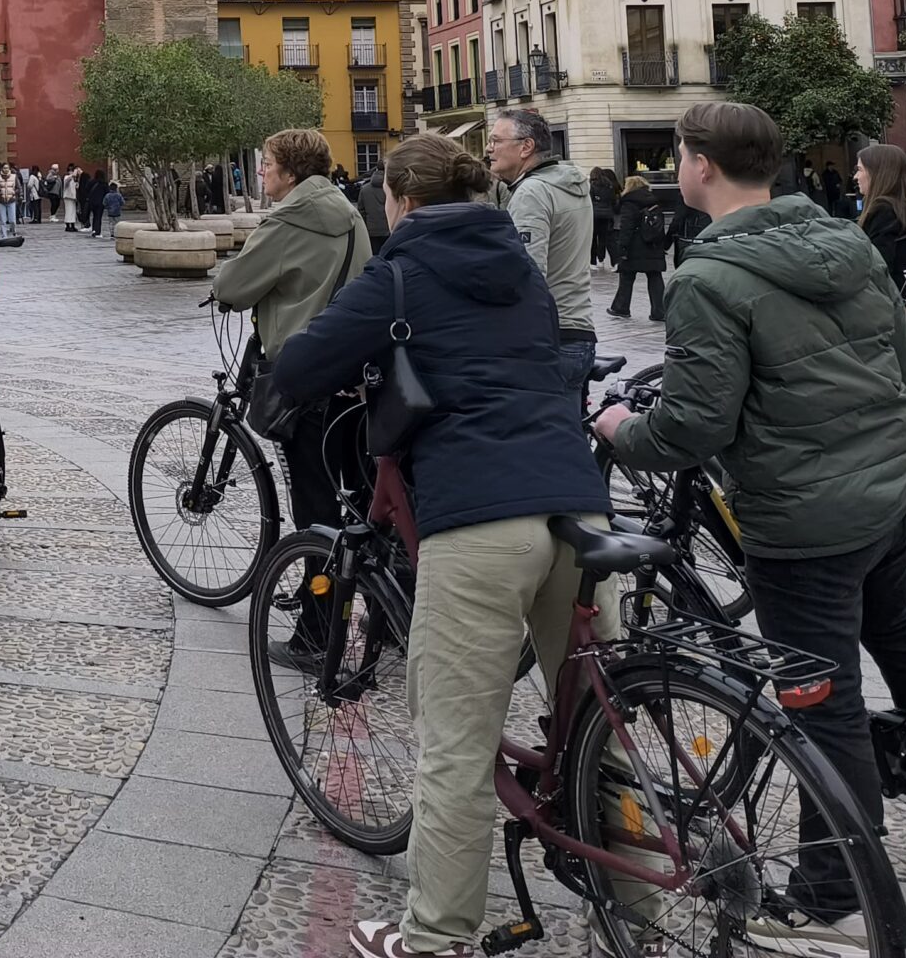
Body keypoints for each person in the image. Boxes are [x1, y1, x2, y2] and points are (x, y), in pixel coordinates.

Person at [269, 133, 612, 958]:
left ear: (401, 201)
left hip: (481, 516)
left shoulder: (398, 274)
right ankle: (638, 911)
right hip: (580, 508)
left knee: (456, 745)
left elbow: (303, 362)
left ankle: (433, 938)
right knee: (607, 721)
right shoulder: (523, 271)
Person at [596, 102, 906, 944]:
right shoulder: (846, 239)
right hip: (890, 489)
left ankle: (831, 884)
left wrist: (619, 432)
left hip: (805, 517)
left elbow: (693, 429)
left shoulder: (708, 278)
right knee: (899, 632)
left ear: (699, 164)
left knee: (822, 701)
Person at [214, 128, 371, 654]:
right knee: (355, 497)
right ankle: (382, 614)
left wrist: (222, 286)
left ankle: (317, 631)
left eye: (266, 164)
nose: (261, 172)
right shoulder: (347, 213)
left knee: (314, 508)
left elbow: (234, 287)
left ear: (290, 172)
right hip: (352, 373)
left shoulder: (288, 221)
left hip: (302, 375)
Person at [487, 107, 595, 390]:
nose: (489, 148)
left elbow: (525, 273)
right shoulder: (571, 183)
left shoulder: (532, 192)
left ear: (526, 147)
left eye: (497, 140)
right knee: (568, 432)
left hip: (549, 338)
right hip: (578, 330)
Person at [854, 143, 906, 302]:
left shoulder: (884, 210)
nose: (856, 176)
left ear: (878, 173)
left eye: (860, 169)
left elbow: (877, 265)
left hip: (893, 304)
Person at [608, 175, 670, 322]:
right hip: (653, 245)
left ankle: (621, 307)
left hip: (634, 246)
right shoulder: (654, 200)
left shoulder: (629, 203)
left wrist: (622, 248)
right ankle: (659, 311)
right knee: (655, 277)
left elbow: (626, 227)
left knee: (626, 277)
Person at [354, 160, 391, 258]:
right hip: (389, 229)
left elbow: (361, 211)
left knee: (374, 257)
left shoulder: (365, 189)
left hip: (371, 230)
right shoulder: (392, 188)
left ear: (376, 169)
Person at [588, 166, 619, 267]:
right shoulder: (609, 185)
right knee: (604, 238)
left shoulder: (591, 185)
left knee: (593, 239)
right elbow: (613, 200)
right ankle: (602, 259)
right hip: (607, 215)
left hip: (594, 215)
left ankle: (593, 262)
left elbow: (589, 201)